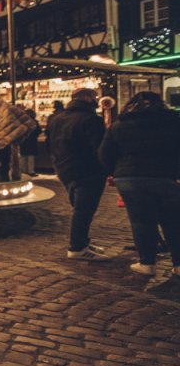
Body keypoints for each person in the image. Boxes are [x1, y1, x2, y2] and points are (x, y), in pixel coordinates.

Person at [98, 91, 180, 277]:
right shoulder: (173, 122)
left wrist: (117, 171)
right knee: (173, 222)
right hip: (166, 177)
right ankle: (178, 264)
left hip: (130, 178)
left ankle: (147, 264)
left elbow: (104, 155)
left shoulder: (119, 125)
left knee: (142, 222)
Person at [47, 87, 112, 261]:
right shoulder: (91, 119)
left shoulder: (56, 119)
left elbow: (50, 145)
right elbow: (99, 149)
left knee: (80, 209)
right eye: (95, 97)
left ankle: (82, 241)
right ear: (88, 99)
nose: (97, 99)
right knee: (84, 211)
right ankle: (77, 247)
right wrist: (107, 169)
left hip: (65, 169)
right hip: (87, 171)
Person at [19, 108, 40, 175]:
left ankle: (23, 170)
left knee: (23, 156)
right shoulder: (34, 122)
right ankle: (30, 171)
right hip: (32, 142)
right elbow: (39, 131)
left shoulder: (22, 122)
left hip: (23, 141)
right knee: (31, 157)